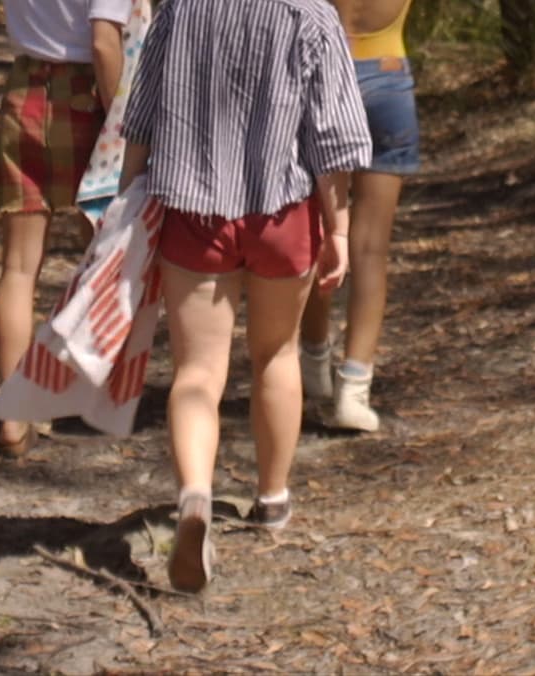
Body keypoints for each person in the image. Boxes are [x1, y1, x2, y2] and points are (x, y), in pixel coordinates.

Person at [119, 0, 371, 591]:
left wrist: (127, 199)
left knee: (196, 372)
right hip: (282, 213)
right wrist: (338, 229)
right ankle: (272, 497)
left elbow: (142, 113)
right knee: (276, 355)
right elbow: (332, 135)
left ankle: (194, 497)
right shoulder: (309, 15)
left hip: (193, 211)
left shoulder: (180, 8)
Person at [0, 0, 133, 456]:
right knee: (103, 260)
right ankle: (94, 395)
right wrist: (122, 125)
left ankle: (13, 417)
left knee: (18, 268)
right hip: (89, 98)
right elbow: (104, 42)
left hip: (25, 89)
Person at [298, 0, 422, 432]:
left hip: (322, 81)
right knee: (370, 249)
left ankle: (314, 357)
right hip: (387, 81)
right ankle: (354, 386)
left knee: (318, 233)